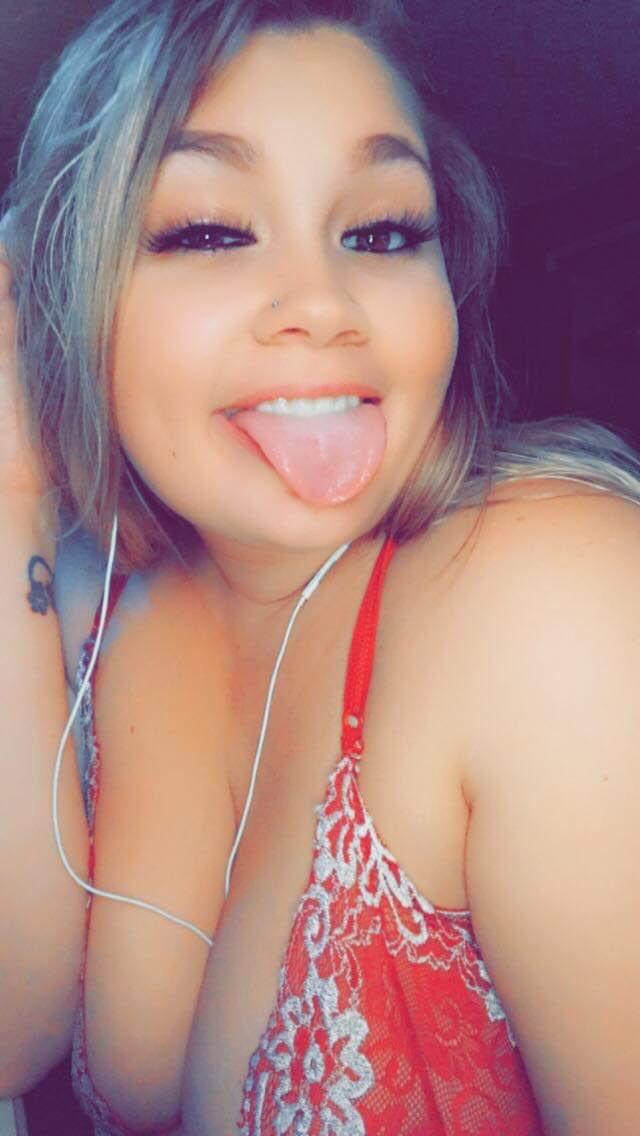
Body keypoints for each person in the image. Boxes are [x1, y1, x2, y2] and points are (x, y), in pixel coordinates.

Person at [1, 1, 639, 1133]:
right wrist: (10, 489)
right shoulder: (95, 598)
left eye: (382, 232)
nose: (324, 306)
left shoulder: (551, 598)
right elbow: (11, 1030)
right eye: (209, 231)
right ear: (70, 293)